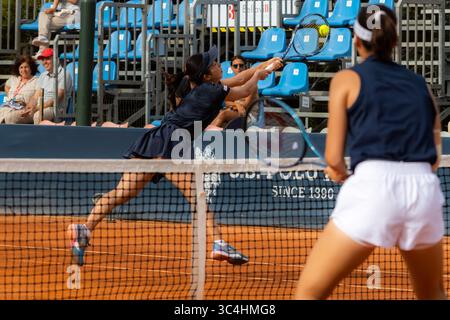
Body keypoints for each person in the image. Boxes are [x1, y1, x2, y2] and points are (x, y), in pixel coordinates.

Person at [67, 46, 283, 266]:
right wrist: (259, 74)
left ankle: (84, 229)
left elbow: (240, 79)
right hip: (172, 143)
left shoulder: (203, 87)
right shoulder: (213, 90)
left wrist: (265, 64)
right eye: (215, 64)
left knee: (122, 193)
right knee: (197, 194)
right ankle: (218, 241)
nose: (220, 65)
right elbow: (245, 88)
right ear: (207, 75)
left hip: (154, 140)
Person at [295, 5, 447, 300]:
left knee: (309, 293)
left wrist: (339, 173)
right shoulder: (421, 85)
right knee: (433, 294)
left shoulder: (346, 80)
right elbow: (435, 158)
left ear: (355, 40)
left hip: (373, 189)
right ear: (395, 41)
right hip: (424, 192)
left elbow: (335, 160)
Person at [20, 48, 73, 124]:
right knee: (15, 117)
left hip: (55, 109)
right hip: (40, 108)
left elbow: (56, 99)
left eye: (47, 59)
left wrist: (37, 108)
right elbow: (36, 96)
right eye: (43, 59)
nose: (44, 62)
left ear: (56, 59)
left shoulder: (64, 74)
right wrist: (28, 107)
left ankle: (37, 135)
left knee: (38, 115)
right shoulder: (43, 75)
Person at [0, 55, 39, 124]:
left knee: (10, 117)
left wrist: (29, 106)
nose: (23, 70)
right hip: (9, 106)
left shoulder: (36, 81)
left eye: (26, 67)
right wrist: (10, 96)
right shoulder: (14, 79)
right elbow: (6, 86)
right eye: (21, 67)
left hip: (25, 109)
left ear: (31, 68)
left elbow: (36, 97)